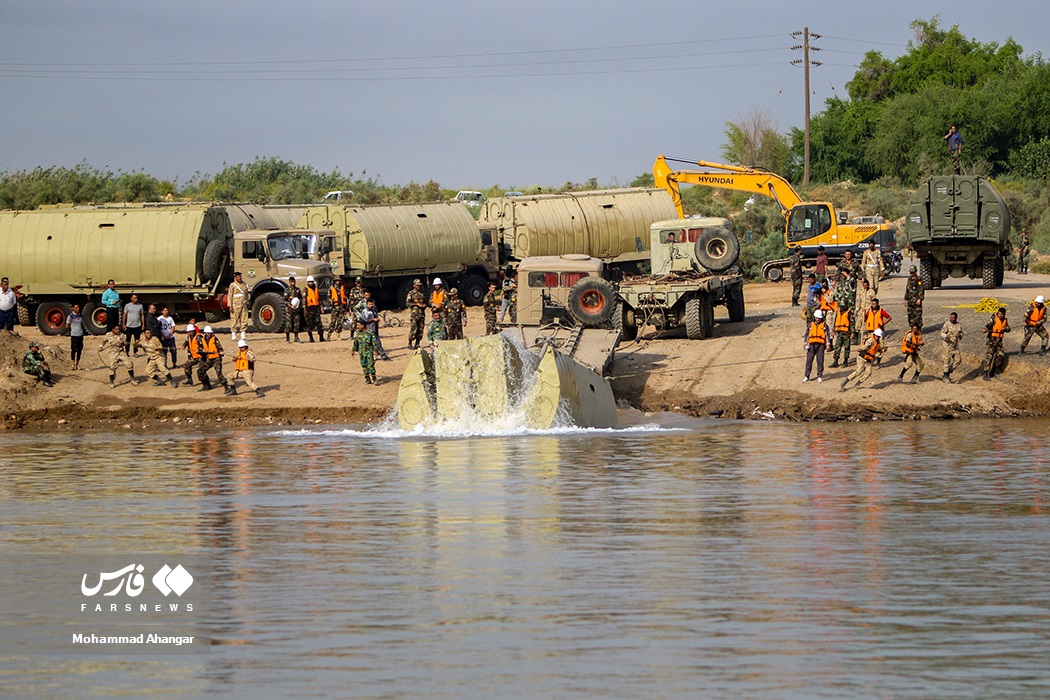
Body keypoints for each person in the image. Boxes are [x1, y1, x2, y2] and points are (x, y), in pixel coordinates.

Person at [197, 325, 231, 393]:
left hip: (216, 359)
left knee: (219, 373)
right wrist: (202, 350)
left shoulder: (215, 339)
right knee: (200, 371)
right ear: (205, 333)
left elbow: (219, 347)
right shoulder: (202, 339)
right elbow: (199, 348)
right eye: (208, 333)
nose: (209, 334)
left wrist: (221, 351)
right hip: (209, 359)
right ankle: (206, 385)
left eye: (210, 333)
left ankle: (226, 387)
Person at [983, 306, 1010, 380]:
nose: (1000, 315)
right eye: (999, 313)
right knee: (989, 357)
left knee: (1000, 356)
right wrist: (986, 329)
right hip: (992, 341)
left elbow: (1008, 328)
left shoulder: (1005, 320)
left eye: (1001, 314)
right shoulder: (993, 319)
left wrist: (1005, 328)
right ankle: (985, 373)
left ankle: (992, 371)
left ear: (1004, 314)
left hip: (999, 342)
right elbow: (988, 325)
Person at [351, 319, 379, 385]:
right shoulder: (358, 333)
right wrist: (353, 350)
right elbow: (356, 342)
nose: (357, 326)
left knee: (370, 366)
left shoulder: (370, 333)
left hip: (369, 352)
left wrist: (376, 351)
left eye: (359, 325)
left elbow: (374, 342)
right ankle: (367, 379)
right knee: (364, 365)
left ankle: (374, 379)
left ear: (363, 325)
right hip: (362, 353)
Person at [803, 309, 827, 383]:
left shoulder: (825, 325)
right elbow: (807, 334)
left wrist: (828, 344)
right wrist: (805, 343)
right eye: (817, 317)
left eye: (819, 318)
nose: (818, 319)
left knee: (820, 360)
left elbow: (828, 335)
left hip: (821, 345)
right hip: (811, 345)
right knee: (809, 360)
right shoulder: (810, 325)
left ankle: (819, 376)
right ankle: (807, 376)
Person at [828, 297, 853, 368]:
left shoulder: (849, 312)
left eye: (843, 305)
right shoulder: (837, 312)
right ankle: (835, 361)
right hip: (838, 332)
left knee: (847, 347)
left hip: (846, 332)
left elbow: (852, 323)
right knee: (837, 346)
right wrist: (832, 330)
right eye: (840, 305)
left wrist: (853, 332)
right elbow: (834, 321)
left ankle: (845, 361)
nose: (841, 307)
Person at [941, 312, 964, 384]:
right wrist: (945, 336)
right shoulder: (947, 324)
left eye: (953, 318)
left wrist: (960, 335)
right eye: (950, 317)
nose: (951, 319)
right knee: (946, 361)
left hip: (954, 345)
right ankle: (945, 376)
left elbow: (961, 333)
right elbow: (942, 333)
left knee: (958, 360)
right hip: (947, 345)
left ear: (956, 318)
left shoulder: (959, 325)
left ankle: (948, 372)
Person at [303, 275, 325, 342]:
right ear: (307, 282)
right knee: (309, 324)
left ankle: (321, 337)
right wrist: (305, 309)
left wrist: (321, 307)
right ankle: (311, 338)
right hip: (309, 308)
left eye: (312, 282)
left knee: (319, 323)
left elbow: (319, 299)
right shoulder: (305, 290)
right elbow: (304, 300)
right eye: (309, 282)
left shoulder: (316, 289)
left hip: (316, 308)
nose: (311, 283)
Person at [406, 278, 427, 349]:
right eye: (417, 285)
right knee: (414, 328)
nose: (419, 286)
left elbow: (425, 302)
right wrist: (416, 304)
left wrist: (424, 305)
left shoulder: (422, 293)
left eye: (419, 285)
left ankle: (417, 343)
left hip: (421, 314)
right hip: (415, 314)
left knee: (420, 329)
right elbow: (407, 304)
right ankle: (410, 343)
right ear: (414, 285)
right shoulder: (411, 293)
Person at [228, 271, 249, 340]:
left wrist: (247, 303)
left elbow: (246, 294)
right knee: (234, 319)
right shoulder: (233, 285)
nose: (239, 278)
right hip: (235, 304)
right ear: (235, 278)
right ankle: (233, 333)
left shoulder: (245, 284)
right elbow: (230, 296)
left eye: (240, 276)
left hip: (243, 304)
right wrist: (230, 305)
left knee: (244, 319)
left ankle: (243, 333)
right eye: (237, 277)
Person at [854, 277, 875, 343]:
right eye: (864, 285)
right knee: (858, 325)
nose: (865, 287)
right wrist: (857, 310)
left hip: (869, 310)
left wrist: (873, 309)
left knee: (868, 325)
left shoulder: (872, 292)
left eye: (866, 285)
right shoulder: (861, 292)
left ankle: (869, 339)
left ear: (868, 285)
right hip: (862, 310)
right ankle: (855, 338)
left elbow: (874, 302)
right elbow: (859, 301)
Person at [904, 265, 925, 329]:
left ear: (915, 272)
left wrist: (919, 299)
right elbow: (907, 289)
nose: (911, 274)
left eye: (912, 272)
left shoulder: (919, 279)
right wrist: (905, 299)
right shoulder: (909, 279)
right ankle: (912, 328)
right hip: (910, 301)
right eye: (910, 272)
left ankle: (918, 328)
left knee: (917, 315)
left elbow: (921, 290)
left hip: (916, 300)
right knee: (910, 315)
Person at [65, 303, 85, 370]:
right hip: (74, 335)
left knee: (79, 350)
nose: (78, 309)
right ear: (73, 308)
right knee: (73, 350)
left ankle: (78, 363)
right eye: (76, 307)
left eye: (78, 307)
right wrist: (72, 330)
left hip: (80, 334)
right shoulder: (70, 316)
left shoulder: (81, 316)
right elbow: (67, 326)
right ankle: (73, 364)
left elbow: (82, 324)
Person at [285, 276, 304, 343]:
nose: (293, 283)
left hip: (296, 310)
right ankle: (287, 338)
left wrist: (299, 305)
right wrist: (290, 306)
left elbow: (301, 298)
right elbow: (285, 300)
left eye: (294, 282)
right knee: (288, 324)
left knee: (296, 324)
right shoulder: (287, 290)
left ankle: (296, 337)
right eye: (292, 282)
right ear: (290, 282)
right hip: (289, 310)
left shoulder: (298, 290)